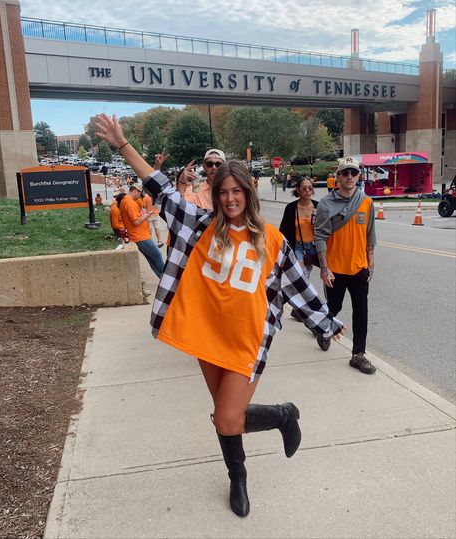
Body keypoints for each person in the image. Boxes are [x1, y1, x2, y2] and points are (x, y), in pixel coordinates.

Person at [95, 113, 346, 518]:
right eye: (223, 191)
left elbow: (298, 285)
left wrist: (325, 321)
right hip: (206, 336)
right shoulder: (197, 225)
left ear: (248, 193)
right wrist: (122, 145)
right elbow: (157, 187)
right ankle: (238, 477)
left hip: (247, 340)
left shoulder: (271, 240)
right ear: (215, 193)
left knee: (229, 417)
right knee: (224, 418)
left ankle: (284, 416)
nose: (230, 198)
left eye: (237, 191)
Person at [314, 156, 376, 374]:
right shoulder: (325, 204)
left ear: (358, 176)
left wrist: (371, 262)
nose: (349, 177)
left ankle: (358, 354)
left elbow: (370, 235)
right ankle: (323, 330)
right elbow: (320, 235)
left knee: (361, 311)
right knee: (333, 309)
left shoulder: (366, 202)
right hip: (335, 270)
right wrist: (324, 268)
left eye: (353, 173)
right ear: (337, 176)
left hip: (359, 268)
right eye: (345, 173)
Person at [279, 177, 320, 331]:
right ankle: (309, 313)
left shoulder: (318, 206)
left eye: (310, 188)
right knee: (303, 278)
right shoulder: (291, 208)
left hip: (315, 247)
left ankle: (298, 309)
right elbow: (283, 230)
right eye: (304, 188)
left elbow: (326, 228)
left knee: (323, 276)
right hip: (298, 247)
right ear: (297, 189)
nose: (307, 191)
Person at [119, 183, 165, 278]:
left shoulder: (127, 201)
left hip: (140, 236)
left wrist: (143, 214)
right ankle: (167, 280)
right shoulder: (129, 202)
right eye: (140, 193)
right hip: (141, 237)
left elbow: (135, 218)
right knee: (157, 256)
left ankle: (163, 279)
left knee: (153, 260)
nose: (140, 195)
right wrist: (147, 216)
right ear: (135, 191)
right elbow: (136, 222)